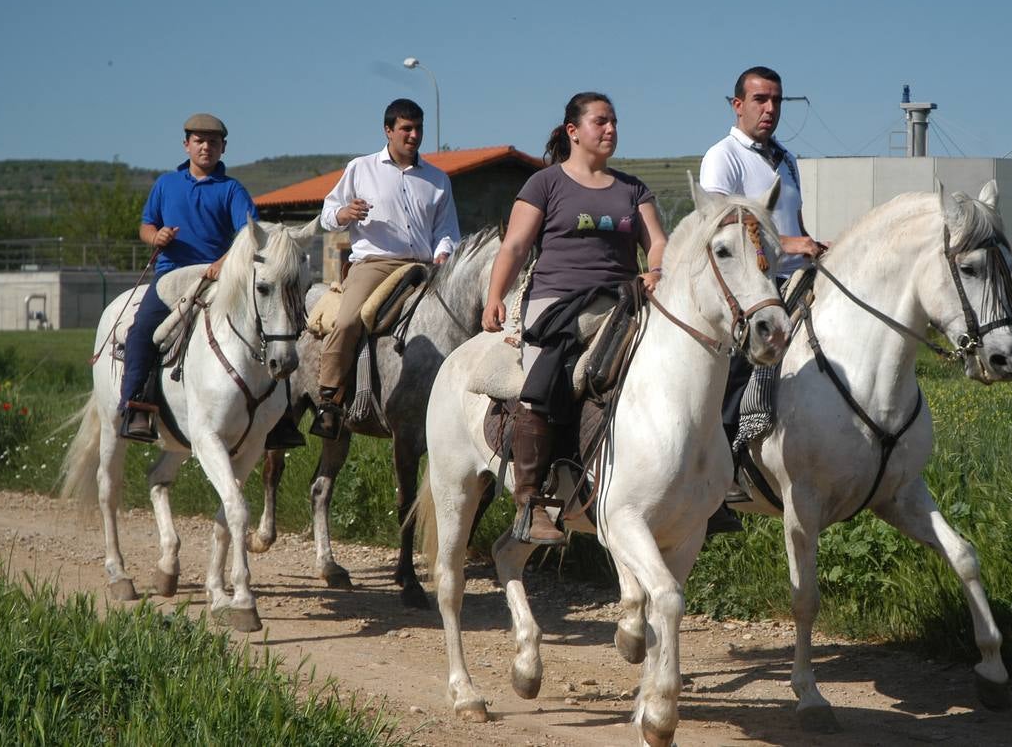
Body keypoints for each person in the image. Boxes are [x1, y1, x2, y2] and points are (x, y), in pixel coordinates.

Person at [482, 92, 667, 544]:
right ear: (572, 131)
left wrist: (657, 270)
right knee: (549, 375)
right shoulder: (545, 184)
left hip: (621, 302)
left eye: (615, 122)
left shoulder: (633, 188)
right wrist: (495, 296)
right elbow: (515, 247)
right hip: (557, 304)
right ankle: (530, 501)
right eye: (600, 122)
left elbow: (657, 241)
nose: (610, 130)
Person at [698, 66, 826, 534]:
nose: (770, 109)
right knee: (736, 367)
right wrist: (790, 245)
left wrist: (814, 246)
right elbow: (717, 225)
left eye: (776, 100)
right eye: (759, 100)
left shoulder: (786, 159)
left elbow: (796, 225)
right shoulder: (723, 156)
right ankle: (721, 473)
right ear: (738, 105)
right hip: (748, 288)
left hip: (793, 281)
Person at [311, 98, 461, 439]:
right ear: (388, 130)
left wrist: (443, 253)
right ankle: (329, 399)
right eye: (406, 128)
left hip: (424, 265)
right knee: (349, 319)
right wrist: (344, 214)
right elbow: (328, 214)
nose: (413, 135)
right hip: (375, 263)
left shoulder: (438, 179)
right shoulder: (360, 168)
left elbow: (447, 230)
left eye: (418, 128)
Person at [120, 113, 269, 441]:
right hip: (171, 277)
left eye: (213, 142)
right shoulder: (165, 184)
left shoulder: (232, 190)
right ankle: (135, 405)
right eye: (199, 141)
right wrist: (155, 237)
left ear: (223, 148)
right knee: (142, 331)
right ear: (186, 145)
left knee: (268, 328)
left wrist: (224, 261)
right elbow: (146, 225)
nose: (206, 147)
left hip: (218, 278)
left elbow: (249, 234)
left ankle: (276, 415)